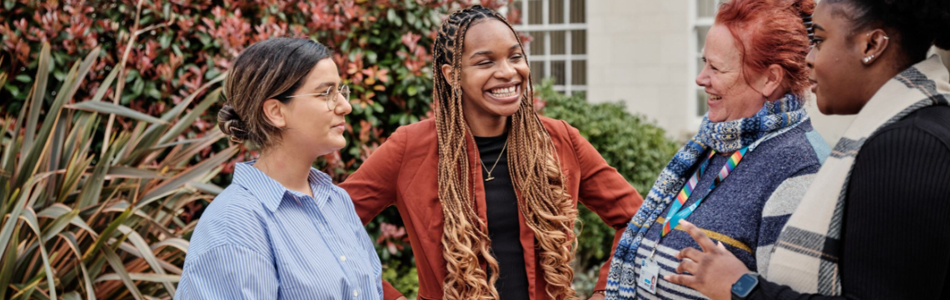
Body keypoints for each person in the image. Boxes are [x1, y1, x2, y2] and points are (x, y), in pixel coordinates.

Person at [339, 5, 643, 300]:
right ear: (452, 75)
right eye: (485, 62)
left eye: (515, 56)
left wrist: (605, 291)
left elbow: (639, 220)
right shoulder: (410, 148)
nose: (508, 72)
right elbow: (326, 227)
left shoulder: (560, 140)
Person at [665, 0, 950, 299]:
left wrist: (741, 287)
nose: (809, 59)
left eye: (820, 40)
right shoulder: (912, 130)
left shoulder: (907, 145)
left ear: (872, 45)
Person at [605, 0, 829, 299]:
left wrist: (738, 288)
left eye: (716, 67)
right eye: (704, 62)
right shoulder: (711, 145)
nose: (701, 78)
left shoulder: (801, 170)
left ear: (770, 78)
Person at [175, 38, 382, 300]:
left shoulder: (336, 202)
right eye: (326, 93)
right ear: (275, 111)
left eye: (341, 91)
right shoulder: (234, 223)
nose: (345, 106)